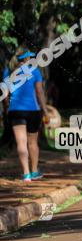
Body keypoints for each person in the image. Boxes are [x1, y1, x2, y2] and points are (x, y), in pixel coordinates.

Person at [3, 49, 48, 181]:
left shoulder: (9, 72)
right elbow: (39, 92)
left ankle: (26, 174)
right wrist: (45, 110)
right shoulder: (34, 71)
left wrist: (7, 108)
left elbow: (6, 95)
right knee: (32, 143)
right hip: (33, 110)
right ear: (26, 58)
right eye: (30, 57)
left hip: (15, 110)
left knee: (21, 142)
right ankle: (34, 171)